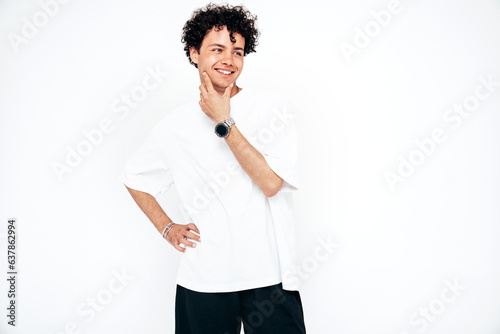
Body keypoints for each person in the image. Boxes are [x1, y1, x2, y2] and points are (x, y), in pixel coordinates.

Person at [121, 3, 306, 334]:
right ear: (194, 53)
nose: (229, 60)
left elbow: (271, 183)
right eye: (217, 49)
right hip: (203, 280)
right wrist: (167, 227)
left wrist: (224, 120)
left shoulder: (270, 107)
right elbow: (134, 177)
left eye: (238, 51)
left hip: (271, 278)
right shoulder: (173, 127)